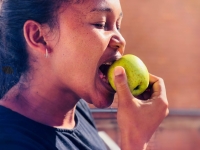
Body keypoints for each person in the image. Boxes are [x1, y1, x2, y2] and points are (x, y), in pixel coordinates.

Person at [0, 0, 169, 149]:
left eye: (118, 25)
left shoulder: (76, 110)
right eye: (101, 24)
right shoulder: (10, 142)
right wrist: (135, 141)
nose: (121, 40)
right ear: (39, 37)